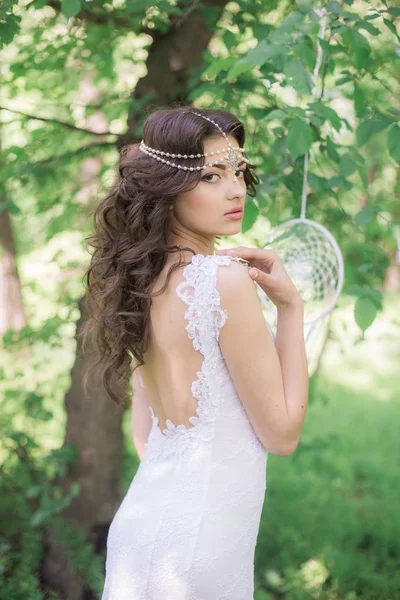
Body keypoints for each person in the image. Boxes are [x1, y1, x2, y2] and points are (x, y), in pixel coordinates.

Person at [80, 105, 309, 599]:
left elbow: (147, 438)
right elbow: (283, 435)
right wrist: (291, 309)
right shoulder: (223, 281)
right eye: (211, 175)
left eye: (239, 172)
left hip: (143, 533)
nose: (235, 190)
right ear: (167, 186)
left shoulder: (142, 281)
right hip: (198, 550)